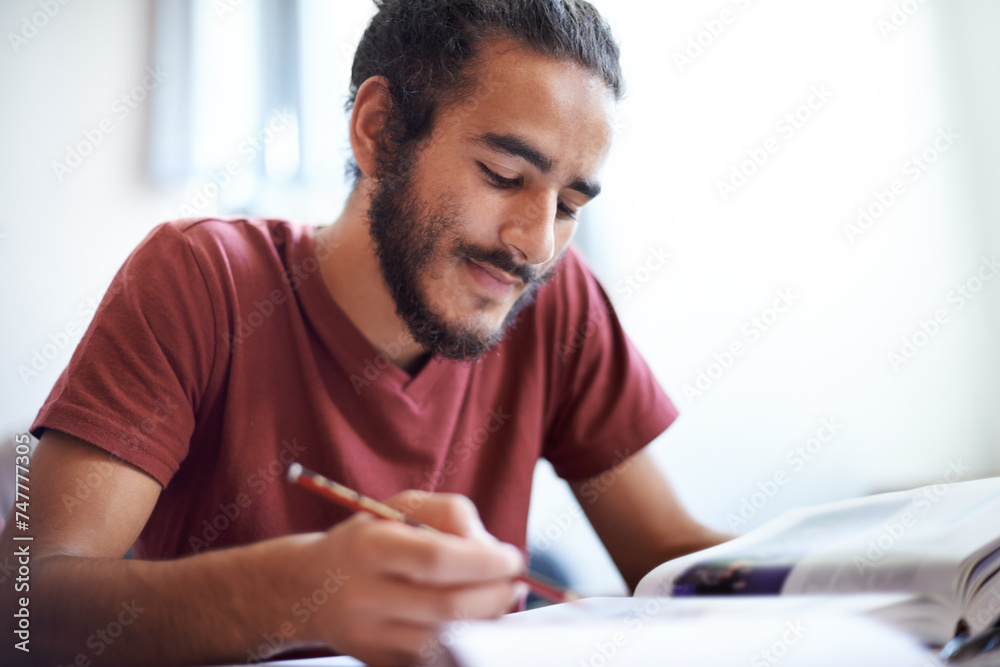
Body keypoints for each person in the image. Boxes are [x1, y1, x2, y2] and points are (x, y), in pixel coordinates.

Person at [1, 1, 729, 665]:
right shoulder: (201, 278)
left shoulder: (557, 304)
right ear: (380, 130)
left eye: (570, 204)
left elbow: (671, 559)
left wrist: (830, 565)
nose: (536, 243)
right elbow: (19, 606)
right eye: (504, 175)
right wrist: (296, 591)